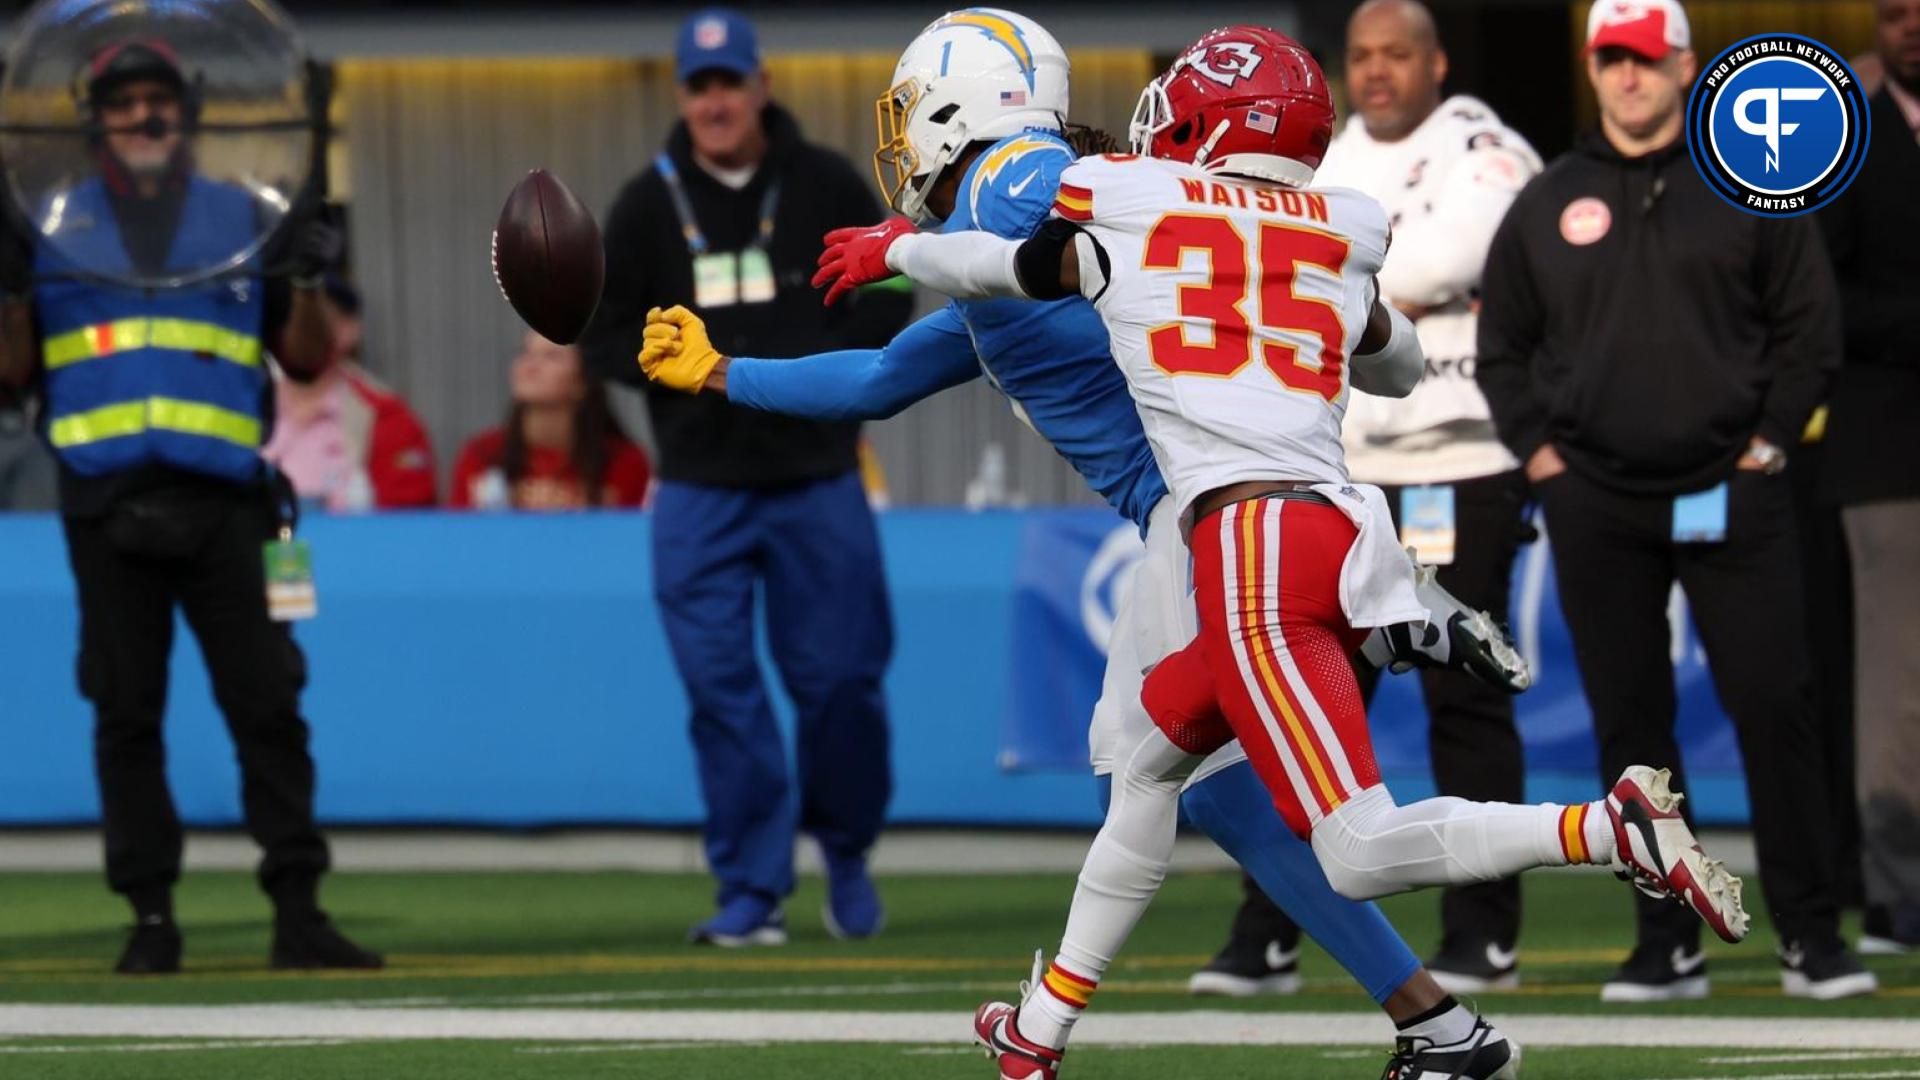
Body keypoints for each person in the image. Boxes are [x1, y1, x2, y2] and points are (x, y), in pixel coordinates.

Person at [805, 18, 1757, 1064]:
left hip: (1247, 543)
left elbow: (1014, 257)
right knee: (1147, 771)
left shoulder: (1131, 197)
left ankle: (1602, 828)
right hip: (1342, 519)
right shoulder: (1341, 222)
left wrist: (899, 248)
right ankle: (1035, 1036)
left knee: (1357, 849)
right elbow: (1392, 368)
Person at [638, 12, 1541, 1079]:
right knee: (1223, 800)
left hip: (1205, 521)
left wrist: (905, 247)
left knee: (1166, 787)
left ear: (954, 103)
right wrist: (722, 372)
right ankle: (1438, 1024)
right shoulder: (1026, 224)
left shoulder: (1013, 183)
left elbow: (1042, 232)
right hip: (1247, 513)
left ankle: (1038, 1037)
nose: (899, 142)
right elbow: (883, 378)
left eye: (908, 113)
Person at [1475, 0, 1871, 1000]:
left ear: (1687, 68)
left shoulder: (1754, 191)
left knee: (1777, 706)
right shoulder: (1547, 200)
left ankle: (1810, 937)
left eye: (1646, 58)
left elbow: (1808, 333)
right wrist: (1544, 460)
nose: (1629, 76)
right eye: (1612, 58)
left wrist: (1768, 445)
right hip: (1596, 500)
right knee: (1628, 727)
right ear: (1591, 67)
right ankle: (1667, 941)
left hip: (1732, 494)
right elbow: (1503, 350)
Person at [0, 38, 379, 974]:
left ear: (190, 113)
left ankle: (299, 912)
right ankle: (152, 920)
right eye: (123, 103)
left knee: (269, 705)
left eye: (157, 100)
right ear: (96, 119)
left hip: (226, 504)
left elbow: (305, 358)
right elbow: (12, 377)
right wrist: (9, 289)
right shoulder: (47, 225)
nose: (143, 117)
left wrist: (300, 270)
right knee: (126, 717)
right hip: (105, 505)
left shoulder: (248, 217)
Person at [1190, 0, 1544, 997]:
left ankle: (1484, 936)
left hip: (1461, 460)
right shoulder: (1330, 154)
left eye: (1397, 54)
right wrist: (1355, 273)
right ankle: (1272, 932)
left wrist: (1331, 269)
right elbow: (1343, 272)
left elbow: (1454, 255)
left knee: (1464, 697)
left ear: (1436, 63)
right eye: (1361, 56)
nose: (1378, 71)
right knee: (1301, 693)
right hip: (1345, 471)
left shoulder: (1481, 142)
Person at [577, 7, 912, 945]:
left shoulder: (828, 181)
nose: (715, 101)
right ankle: (753, 888)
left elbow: (895, 291)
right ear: (683, 95)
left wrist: (811, 375)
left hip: (817, 477)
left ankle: (845, 851)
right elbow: (601, 334)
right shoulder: (646, 204)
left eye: (730, 83)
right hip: (698, 488)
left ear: (762, 86)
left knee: (842, 680)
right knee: (720, 691)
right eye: (699, 85)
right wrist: (648, 362)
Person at [1818, 0, 1920, 956]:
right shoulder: (1845, 129)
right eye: (1894, 12)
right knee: (1898, 687)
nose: (1912, 26)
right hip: (1890, 445)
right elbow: (1825, 290)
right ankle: (1899, 890)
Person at [263, 276, 438, 512]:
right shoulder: (240, 404)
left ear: (350, 329)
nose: (300, 330)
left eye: (314, 318)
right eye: (287, 317)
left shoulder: (388, 418)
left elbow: (407, 522)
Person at [451, 330, 649, 510]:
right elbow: (455, 538)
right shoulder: (481, 455)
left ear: (582, 382)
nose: (530, 366)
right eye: (525, 353)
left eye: (551, 357)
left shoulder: (625, 463)